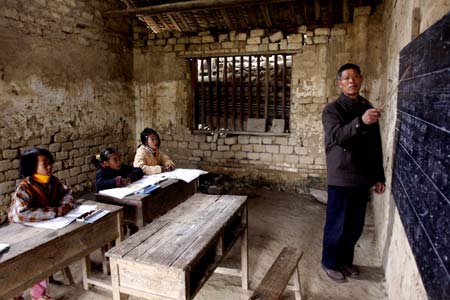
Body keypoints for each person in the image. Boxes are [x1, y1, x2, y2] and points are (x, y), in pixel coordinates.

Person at [321, 63, 386, 282]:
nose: (351, 81)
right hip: (341, 175)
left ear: (361, 79)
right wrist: (361, 122)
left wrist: (379, 176)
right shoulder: (332, 110)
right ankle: (329, 262)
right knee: (336, 224)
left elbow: (375, 145)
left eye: (355, 77)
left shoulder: (366, 106)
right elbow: (337, 136)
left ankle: (345, 261)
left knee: (355, 225)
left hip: (362, 176)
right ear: (339, 83)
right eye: (347, 78)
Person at [8, 147, 75, 300]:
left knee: (43, 257)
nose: (50, 167)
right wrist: (55, 212)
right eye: (45, 164)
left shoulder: (53, 182)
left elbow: (68, 193)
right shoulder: (25, 187)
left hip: (46, 229)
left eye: (50, 163)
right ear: (32, 168)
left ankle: (38, 294)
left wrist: (65, 206)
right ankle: (14, 293)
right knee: (23, 264)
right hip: (22, 233)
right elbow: (21, 214)